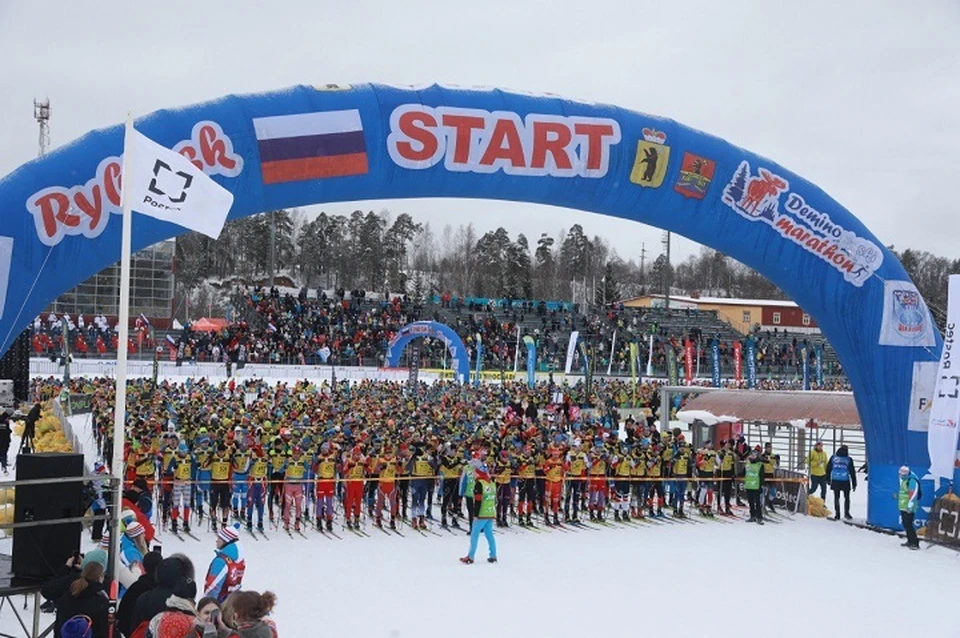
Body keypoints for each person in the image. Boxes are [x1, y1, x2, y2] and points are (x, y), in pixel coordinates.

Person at [53, 562, 109, 638]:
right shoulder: (101, 601)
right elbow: (104, 630)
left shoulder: (67, 595)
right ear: (100, 577)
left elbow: (58, 625)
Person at [116, 549, 162, 638]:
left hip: (134, 633)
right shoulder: (163, 590)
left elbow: (122, 616)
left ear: (143, 567)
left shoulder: (135, 588)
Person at [460, 459, 498, 564]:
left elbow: (477, 501)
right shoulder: (491, 483)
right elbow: (494, 499)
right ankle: (493, 555)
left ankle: (470, 557)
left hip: (481, 513)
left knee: (474, 534)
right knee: (489, 534)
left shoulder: (479, 484)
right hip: (490, 512)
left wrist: (476, 515)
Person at [204, 523, 245, 604]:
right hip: (233, 602)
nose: (216, 540)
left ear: (225, 541)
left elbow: (212, 587)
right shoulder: (240, 560)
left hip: (219, 604)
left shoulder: (221, 561)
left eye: (219, 538)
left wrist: (207, 605)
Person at [826, 444, 857, 520]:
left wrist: (828, 479)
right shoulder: (848, 459)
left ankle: (837, 514)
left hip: (835, 479)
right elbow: (852, 472)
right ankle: (847, 513)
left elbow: (828, 469)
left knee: (836, 497)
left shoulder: (833, 458)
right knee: (847, 497)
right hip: (845, 480)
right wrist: (854, 483)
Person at [897, 465, 921, 550]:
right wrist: (897, 496)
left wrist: (910, 506)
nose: (901, 476)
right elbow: (904, 492)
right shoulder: (904, 480)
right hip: (903, 506)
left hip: (909, 507)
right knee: (905, 524)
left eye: (903, 475)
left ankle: (915, 542)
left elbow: (913, 495)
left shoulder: (912, 481)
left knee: (909, 524)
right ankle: (910, 540)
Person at [743, 446, 765, 524]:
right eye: (751, 454)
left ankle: (759, 517)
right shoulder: (747, 464)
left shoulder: (760, 464)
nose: (752, 456)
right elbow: (744, 473)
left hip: (756, 486)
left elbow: (762, 476)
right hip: (749, 485)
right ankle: (752, 516)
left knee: (757, 503)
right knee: (751, 502)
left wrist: (761, 485)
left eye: (754, 454)